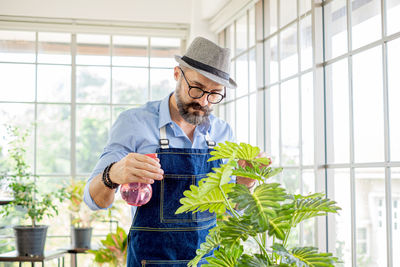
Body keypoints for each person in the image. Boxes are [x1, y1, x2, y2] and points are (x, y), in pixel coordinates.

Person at [83, 36, 255, 266]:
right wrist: (112, 174)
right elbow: (94, 200)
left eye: (214, 94)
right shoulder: (135, 123)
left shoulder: (223, 133)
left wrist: (245, 184)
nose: (204, 102)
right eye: (196, 88)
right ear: (177, 74)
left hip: (209, 261)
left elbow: (231, 211)